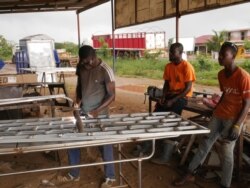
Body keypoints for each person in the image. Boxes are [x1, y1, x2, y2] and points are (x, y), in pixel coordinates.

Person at [173, 42, 250, 188]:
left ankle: (225, 184)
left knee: (227, 152)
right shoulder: (221, 74)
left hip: (233, 119)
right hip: (219, 115)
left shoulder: (243, 77)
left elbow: (247, 104)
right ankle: (190, 173)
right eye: (220, 54)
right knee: (205, 143)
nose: (220, 57)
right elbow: (225, 94)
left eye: (224, 55)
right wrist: (215, 108)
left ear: (233, 57)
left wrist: (237, 125)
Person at [59, 45, 116, 188]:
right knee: (73, 140)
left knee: (105, 144)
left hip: (100, 114)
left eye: (87, 61)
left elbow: (112, 96)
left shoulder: (105, 70)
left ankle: (110, 176)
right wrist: (78, 101)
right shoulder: (81, 67)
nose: (86, 64)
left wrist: (97, 111)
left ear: (93, 57)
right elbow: (80, 86)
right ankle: (74, 173)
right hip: (83, 113)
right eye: (83, 62)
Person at [133, 43, 196, 160]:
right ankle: (146, 146)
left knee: (171, 121)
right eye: (170, 51)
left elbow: (187, 89)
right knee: (155, 117)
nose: (170, 54)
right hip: (170, 95)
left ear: (180, 53)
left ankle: (165, 156)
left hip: (182, 97)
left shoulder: (187, 67)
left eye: (173, 52)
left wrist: (173, 100)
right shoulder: (169, 66)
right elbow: (167, 83)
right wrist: (163, 96)